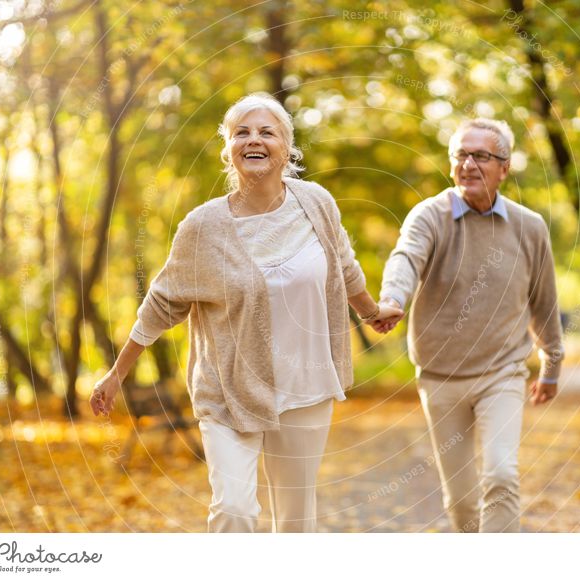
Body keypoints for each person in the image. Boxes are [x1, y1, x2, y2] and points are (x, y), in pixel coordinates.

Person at [90, 92, 403, 533]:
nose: (253, 139)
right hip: (229, 389)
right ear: (229, 150)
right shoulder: (203, 227)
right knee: (235, 510)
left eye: (266, 131)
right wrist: (117, 373)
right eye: (242, 132)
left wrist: (372, 313)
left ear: (286, 148)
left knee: (296, 521)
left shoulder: (316, 203)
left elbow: (343, 266)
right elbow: (161, 303)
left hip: (305, 386)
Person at [378, 118, 564, 533]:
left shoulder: (529, 226)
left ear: (504, 167)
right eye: (461, 155)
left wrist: (551, 365)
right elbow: (406, 257)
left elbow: (544, 301)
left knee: (500, 475)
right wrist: (393, 298)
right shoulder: (430, 216)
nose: (468, 164)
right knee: (461, 502)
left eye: (481, 155)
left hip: (502, 372)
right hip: (440, 377)